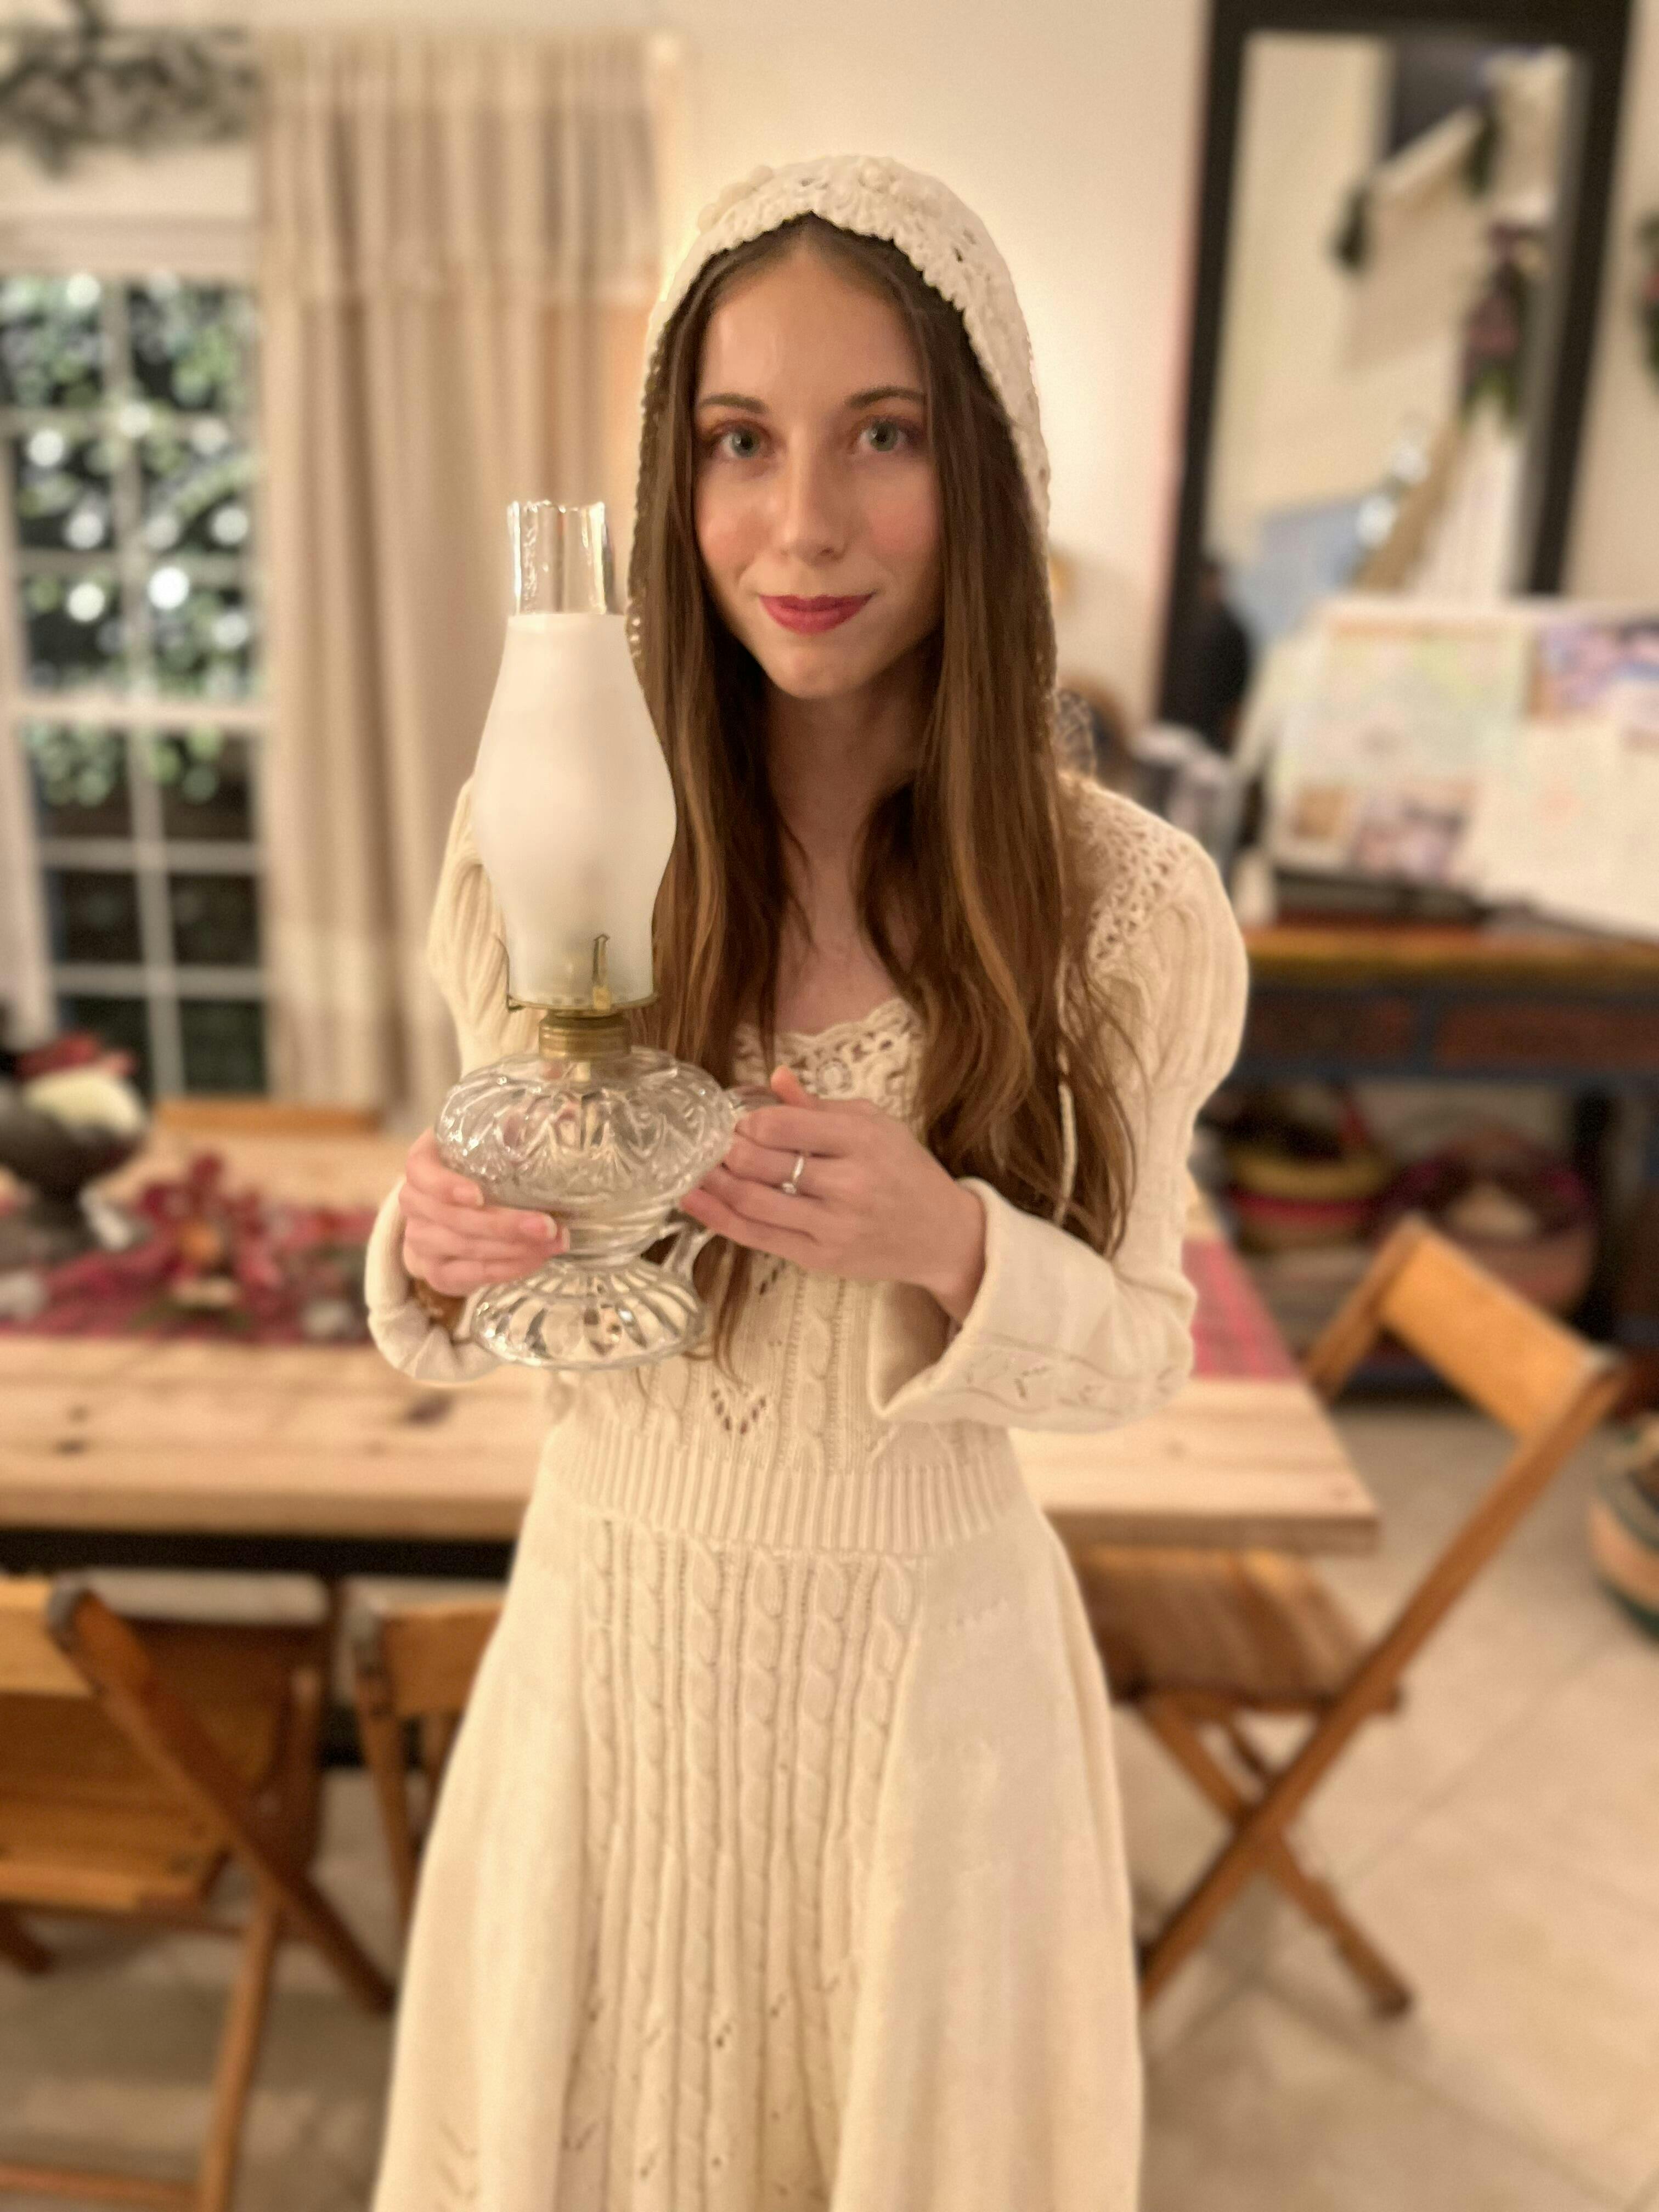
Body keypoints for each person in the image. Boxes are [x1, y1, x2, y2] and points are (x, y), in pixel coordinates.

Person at [362, 154, 1248, 2212]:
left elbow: (1140, 1348)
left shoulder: (1121, 909)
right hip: (607, 1666)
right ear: (671, 482)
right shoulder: (548, 825)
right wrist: (441, 1238)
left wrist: (950, 1240)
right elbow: (511, 1249)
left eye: (887, 436)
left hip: (930, 1719)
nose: (805, 526)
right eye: (740, 442)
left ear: (987, 468)